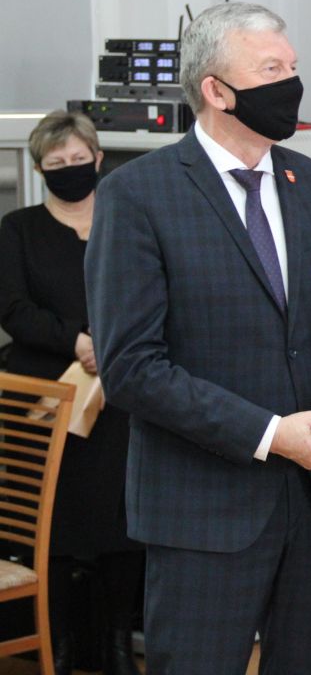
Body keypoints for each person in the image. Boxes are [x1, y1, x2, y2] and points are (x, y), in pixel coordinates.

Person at [84, 2, 311, 675]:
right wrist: (272, 434)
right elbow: (131, 367)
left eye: (293, 67)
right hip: (202, 511)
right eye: (271, 70)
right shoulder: (137, 195)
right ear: (216, 92)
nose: (291, 84)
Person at [0, 111, 142, 675]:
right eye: (56, 163)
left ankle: (116, 646)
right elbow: (12, 309)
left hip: (123, 393)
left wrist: (110, 344)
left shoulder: (127, 220)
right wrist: (78, 341)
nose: (70, 169)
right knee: (51, 526)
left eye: (79, 159)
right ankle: (55, 646)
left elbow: (153, 292)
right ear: (39, 170)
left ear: (99, 159)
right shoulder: (18, 229)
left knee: (123, 521)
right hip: (46, 400)